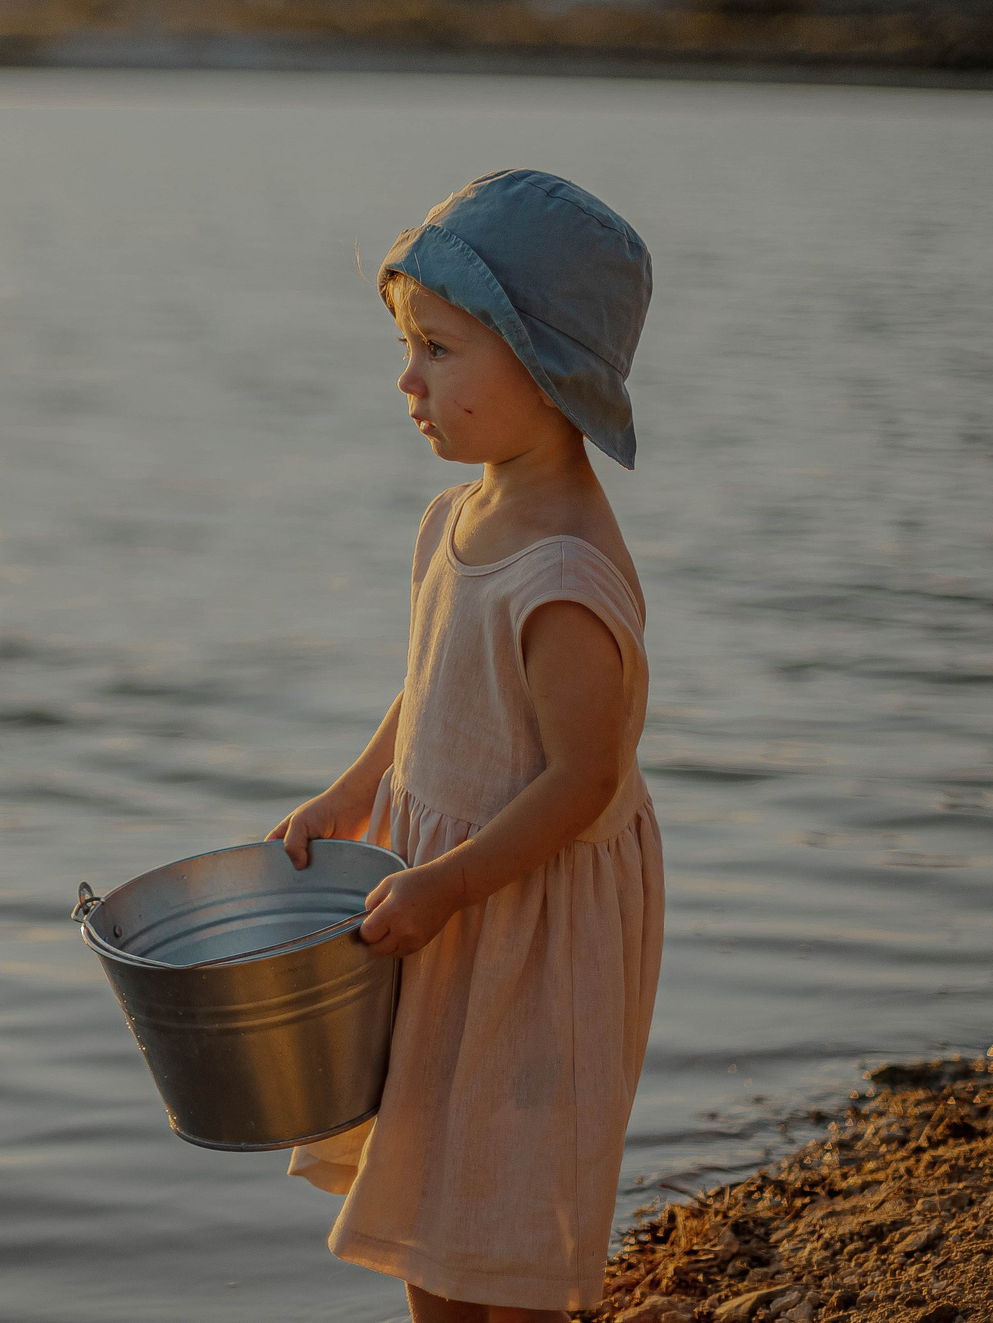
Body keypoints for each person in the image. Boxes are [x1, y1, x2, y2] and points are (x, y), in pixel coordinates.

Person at [267, 168, 663, 1321]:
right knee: (433, 1189)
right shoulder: (458, 516)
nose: (406, 379)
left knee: (508, 1208)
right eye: (409, 345)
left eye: (437, 349)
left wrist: (444, 882)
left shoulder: (561, 577)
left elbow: (583, 781)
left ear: (544, 367)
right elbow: (430, 687)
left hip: (533, 916)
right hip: (449, 893)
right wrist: (352, 795)